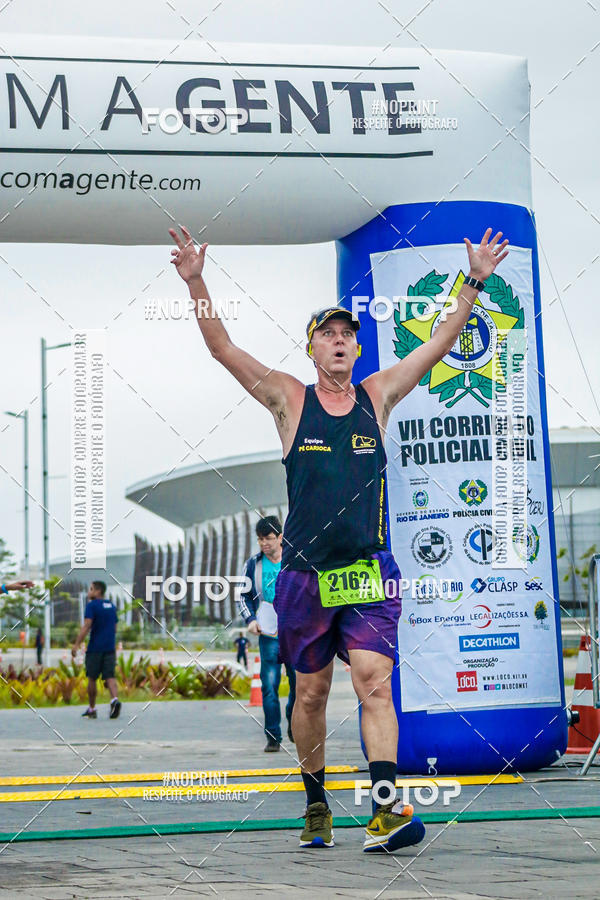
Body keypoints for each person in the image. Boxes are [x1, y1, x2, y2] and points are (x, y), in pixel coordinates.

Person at [169, 224, 509, 852]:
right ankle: (317, 805)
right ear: (312, 350)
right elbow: (222, 347)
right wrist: (196, 283)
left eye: (348, 334)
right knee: (312, 694)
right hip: (305, 576)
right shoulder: (288, 399)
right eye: (328, 334)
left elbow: (439, 343)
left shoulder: (377, 396)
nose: (340, 341)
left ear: (356, 347)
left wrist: (474, 282)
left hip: (368, 570)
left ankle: (385, 811)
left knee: (374, 679)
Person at [237, 515, 297, 752]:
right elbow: (242, 595)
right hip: (268, 632)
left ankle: (294, 721)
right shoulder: (253, 564)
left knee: (299, 684)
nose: (264, 543)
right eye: (260, 539)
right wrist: (250, 619)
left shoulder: (294, 559)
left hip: (293, 632)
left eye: (269, 538)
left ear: (280, 537)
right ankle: (273, 736)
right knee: (269, 686)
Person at [71, 581, 121, 719]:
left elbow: (87, 625)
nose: (89, 592)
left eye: (91, 589)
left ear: (98, 591)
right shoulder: (111, 606)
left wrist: (76, 644)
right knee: (110, 676)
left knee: (92, 678)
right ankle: (114, 700)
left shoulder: (92, 605)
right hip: (110, 648)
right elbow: (115, 628)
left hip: (95, 649)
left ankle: (92, 709)